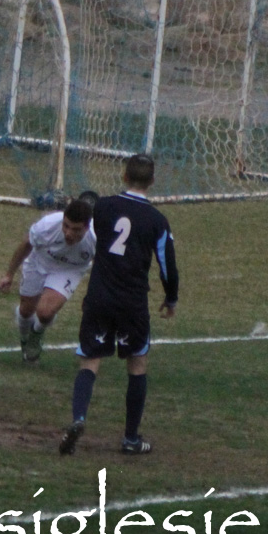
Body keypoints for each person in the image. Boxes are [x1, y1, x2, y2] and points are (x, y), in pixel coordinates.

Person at [59, 154, 176, 457]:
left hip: (100, 296)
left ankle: (79, 418)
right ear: (152, 181)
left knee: (90, 360)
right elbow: (167, 265)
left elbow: (89, 228)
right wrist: (171, 297)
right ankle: (131, 438)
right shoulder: (157, 220)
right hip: (132, 302)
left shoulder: (105, 207)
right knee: (137, 364)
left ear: (124, 177)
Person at [0, 192, 97, 363]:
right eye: (66, 226)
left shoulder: (97, 237)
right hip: (39, 261)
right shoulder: (47, 225)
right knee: (26, 311)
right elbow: (26, 244)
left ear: (87, 227)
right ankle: (25, 339)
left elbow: (103, 264)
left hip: (69, 269)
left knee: (45, 313)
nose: (68, 233)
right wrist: (9, 275)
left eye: (75, 229)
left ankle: (36, 335)